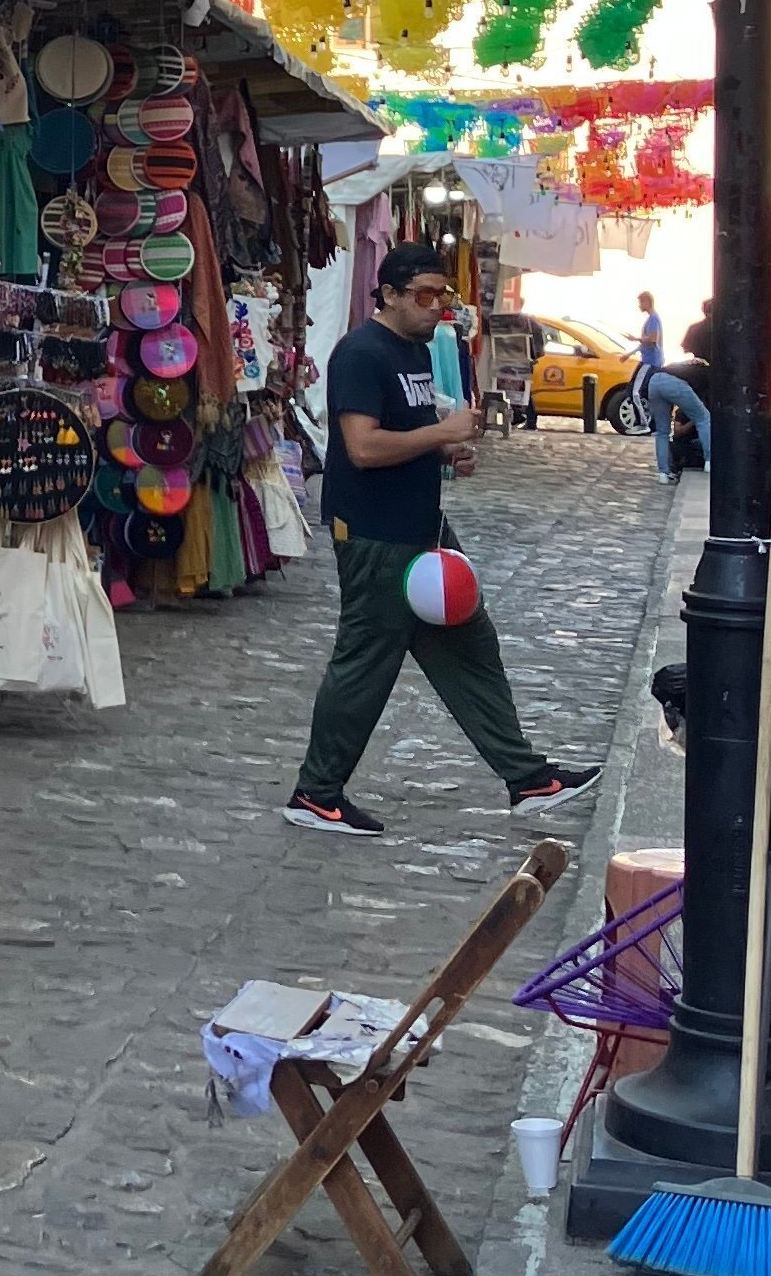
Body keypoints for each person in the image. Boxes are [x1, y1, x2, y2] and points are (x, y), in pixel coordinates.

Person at [284, 243, 602, 838]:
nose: (437, 308)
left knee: (469, 644)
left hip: (421, 529)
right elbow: (361, 447)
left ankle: (527, 777)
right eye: (425, 296)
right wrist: (440, 431)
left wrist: (444, 448)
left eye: (444, 296)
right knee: (365, 664)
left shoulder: (417, 349)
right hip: (377, 535)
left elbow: (404, 433)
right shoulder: (360, 353)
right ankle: (316, 793)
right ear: (390, 295)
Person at [640, 310, 714, 482]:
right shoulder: (707, 370)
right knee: (704, 418)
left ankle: (664, 474)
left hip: (655, 380)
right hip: (674, 384)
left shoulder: (689, 362)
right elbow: (701, 397)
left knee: (662, 432)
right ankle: (710, 461)